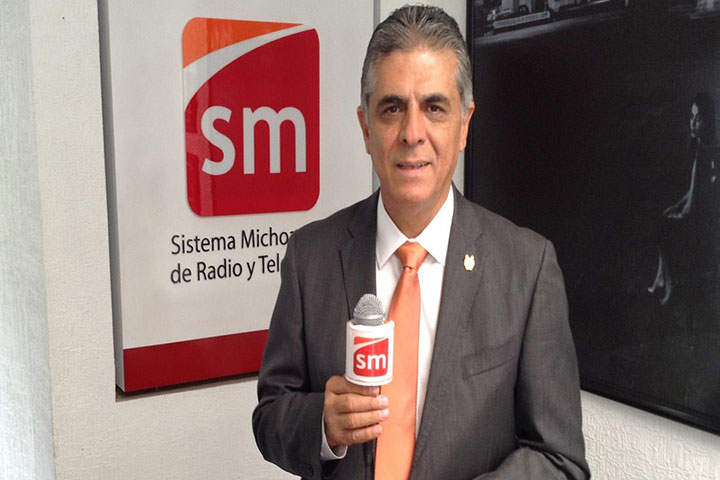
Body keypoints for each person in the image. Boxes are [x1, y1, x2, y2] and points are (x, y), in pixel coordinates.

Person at [252, 5, 590, 479]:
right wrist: (321, 425)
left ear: (464, 124)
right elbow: (270, 415)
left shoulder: (527, 268)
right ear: (366, 127)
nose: (412, 134)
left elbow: (559, 460)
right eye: (392, 108)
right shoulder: (310, 257)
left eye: (434, 108)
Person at [648, 92, 719, 305]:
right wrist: (677, 206)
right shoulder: (708, 148)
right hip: (704, 214)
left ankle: (670, 284)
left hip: (703, 221)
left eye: (699, 118)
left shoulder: (705, 154)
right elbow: (696, 188)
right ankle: (661, 279)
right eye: (691, 117)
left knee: (660, 226)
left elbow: (693, 208)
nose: (693, 123)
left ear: (709, 121)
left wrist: (678, 214)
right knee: (666, 215)